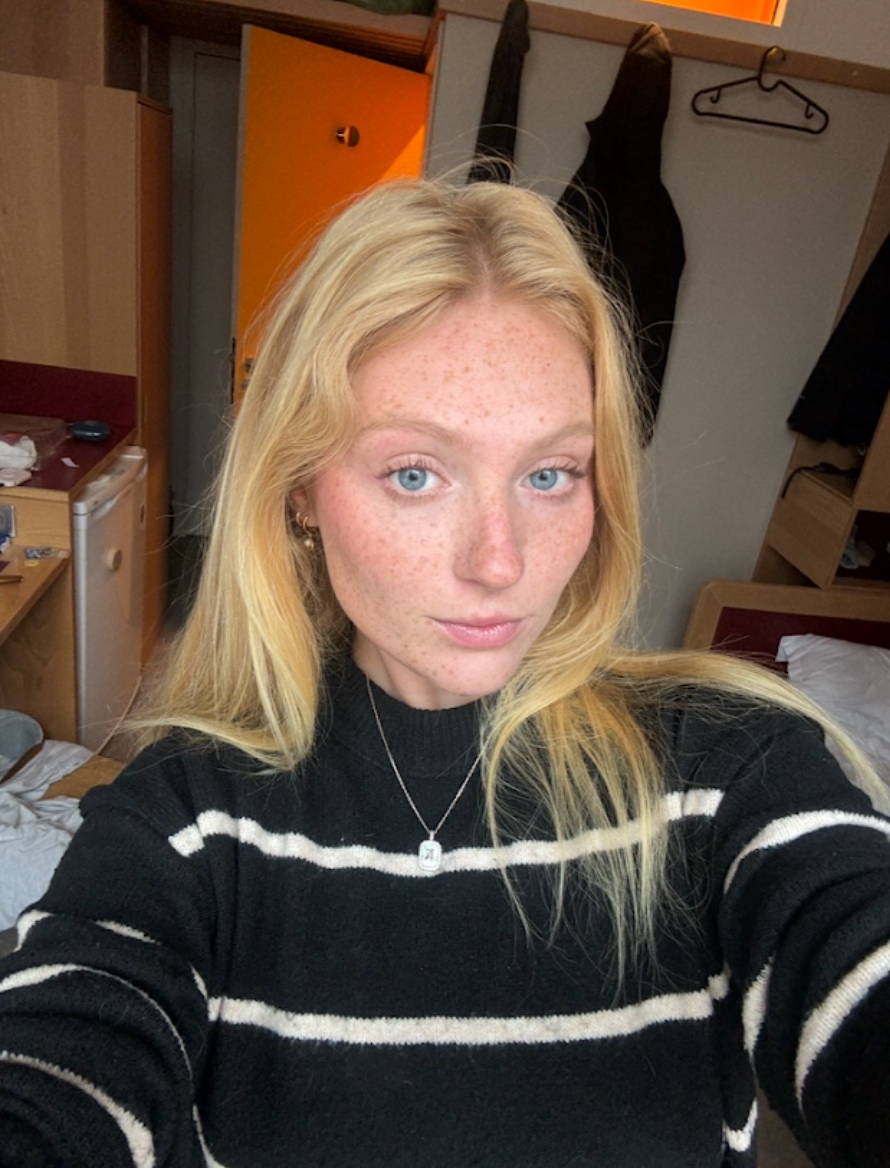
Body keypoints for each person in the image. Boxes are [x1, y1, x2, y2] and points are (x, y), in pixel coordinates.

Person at [1, 178, 889, 1168]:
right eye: (415, 473)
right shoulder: (186, 819)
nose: (499, 561)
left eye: (549, 473)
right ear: (299, 490)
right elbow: (64, 1067)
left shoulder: (726, 764)